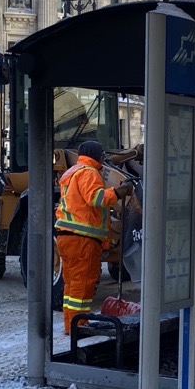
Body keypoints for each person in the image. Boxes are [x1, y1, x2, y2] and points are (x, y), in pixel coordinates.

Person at [54, 141, 134, 335]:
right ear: (96, 155)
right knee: (84, 283)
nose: (102, 159)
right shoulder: (90, 172)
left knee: (72, 284)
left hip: (67, 238)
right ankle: (79, 325)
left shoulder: (72, 172)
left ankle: (70, 325)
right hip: (83, 239)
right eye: (101, 155)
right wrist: (118, 192)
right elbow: (96, 198)